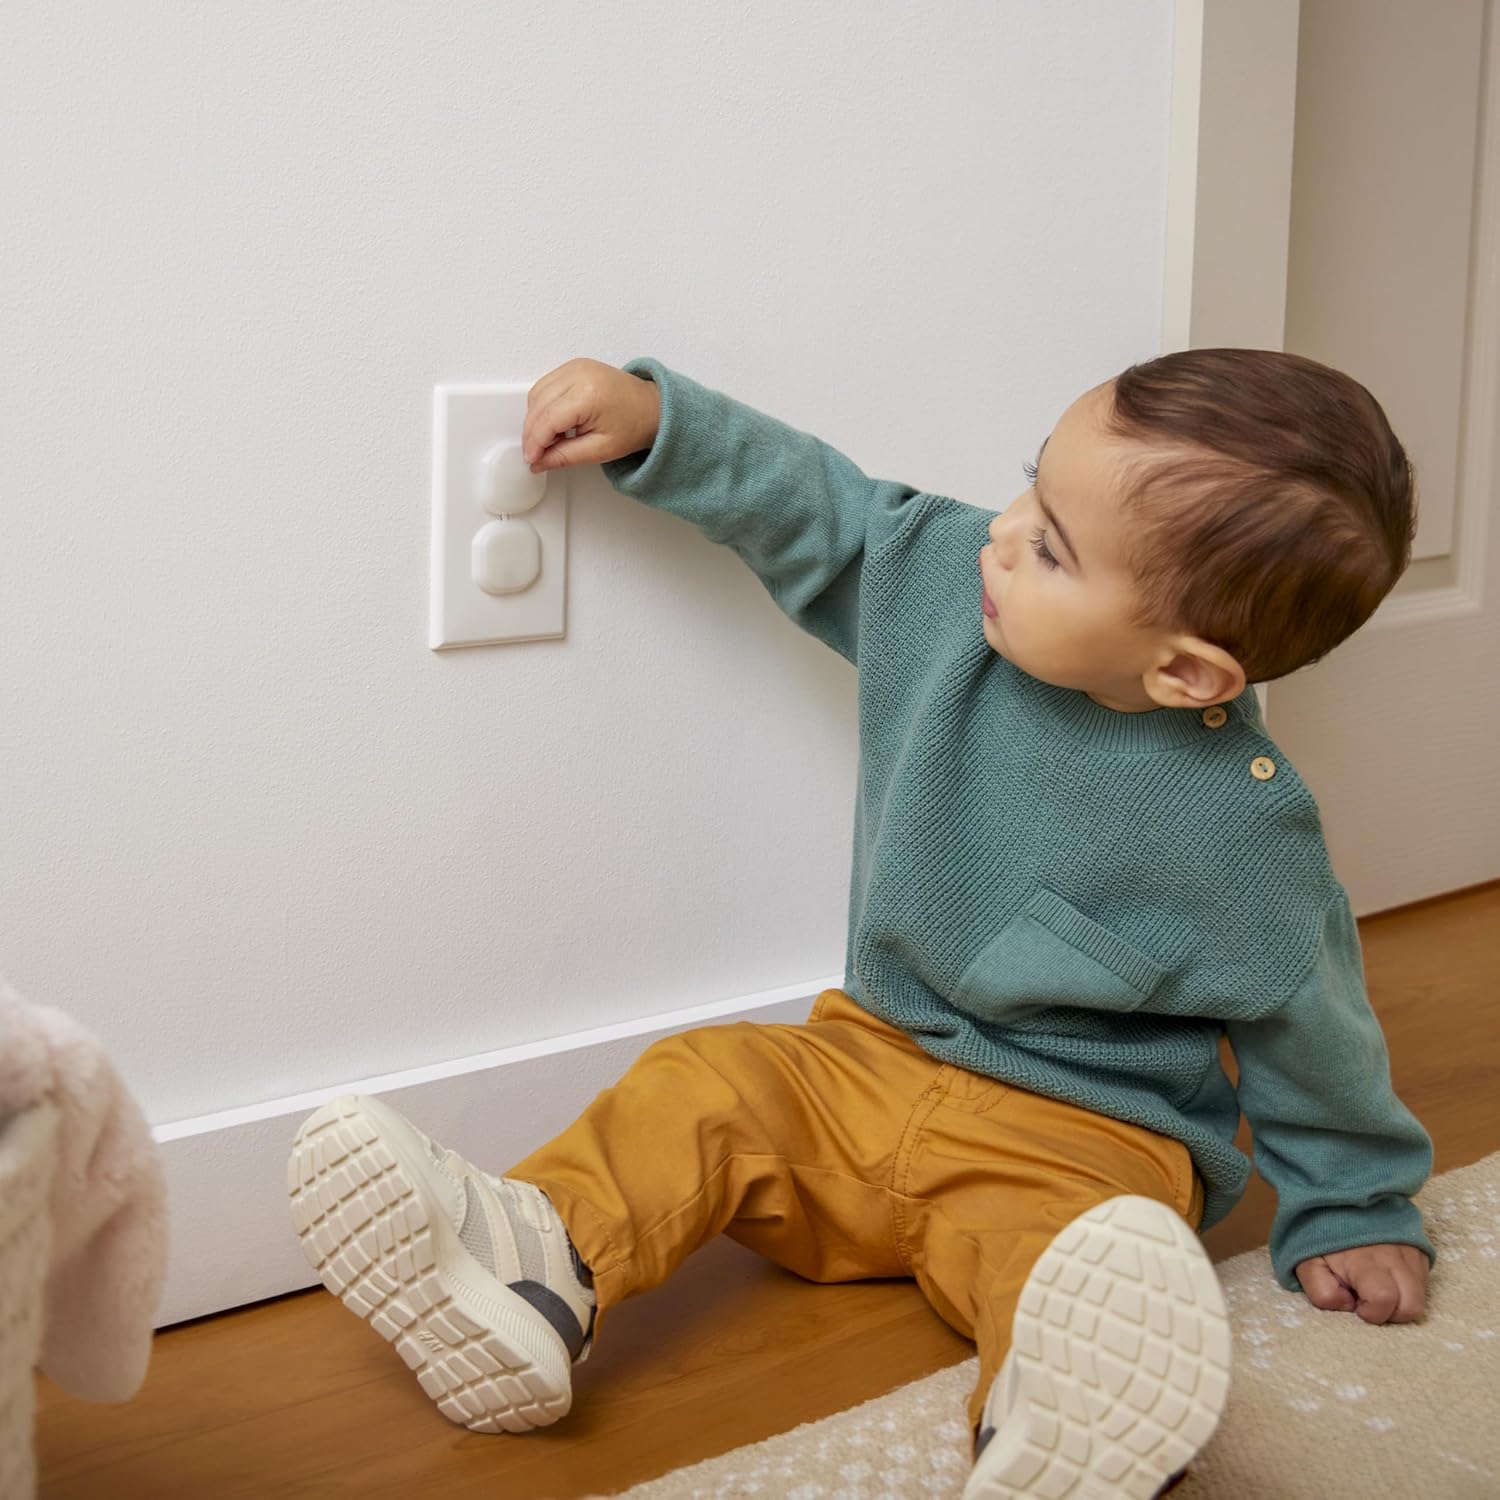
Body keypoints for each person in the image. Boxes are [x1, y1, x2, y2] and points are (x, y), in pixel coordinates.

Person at [288, 349, 1435, 1499]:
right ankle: (529, 1268)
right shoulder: (947, 589)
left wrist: (1355, 1207)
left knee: (1081, 1256)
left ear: (1185, 672)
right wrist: (658, 424)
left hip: (1085, 1139)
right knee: (708, 1080)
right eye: (1031, 485)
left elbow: (1314, 1031)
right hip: (867, 1062)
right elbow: (820, 514)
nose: (1002, 533)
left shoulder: (1251, 837)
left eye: (1051, 547)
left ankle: (1063, 1417)